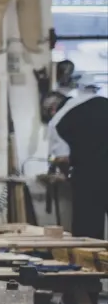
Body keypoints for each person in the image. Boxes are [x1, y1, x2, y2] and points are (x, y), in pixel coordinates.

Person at [42, 89, 108, 239]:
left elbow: (62, 159)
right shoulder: (99, 99)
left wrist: (66, 174)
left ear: (52, 109)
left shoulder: (57, 120)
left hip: (90, 176)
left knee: (88, 232)